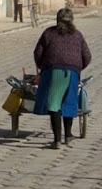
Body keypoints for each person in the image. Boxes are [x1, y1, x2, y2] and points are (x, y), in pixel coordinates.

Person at [33, 8, 91, 149]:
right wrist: (77, 68)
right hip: (72, 72)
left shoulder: (48, 33)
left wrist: (43, 68)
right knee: (69, 102)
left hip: (53, 70)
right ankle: (69, 135)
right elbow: (87, 56)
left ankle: (57, 140)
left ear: (57, 19)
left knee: (53, 104)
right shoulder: (78, 35)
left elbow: (38, 53)